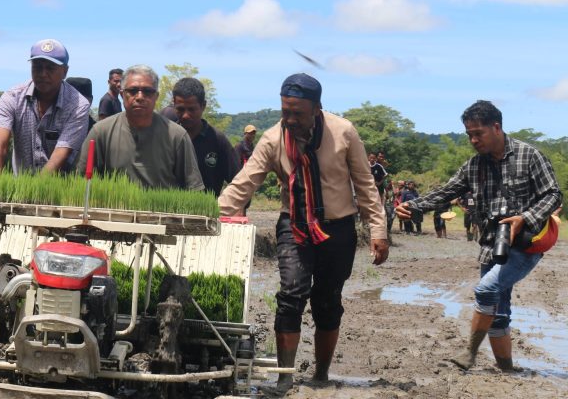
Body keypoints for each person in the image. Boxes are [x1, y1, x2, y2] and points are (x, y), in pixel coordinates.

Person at [217, 73, 388, 389]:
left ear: (317, 109)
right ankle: (284, 378)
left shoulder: (343, 132)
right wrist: (208, 218)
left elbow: (365, 184)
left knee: (327, 300)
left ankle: (321, 374)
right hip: (293, 225)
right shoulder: (272, 139)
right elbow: (244, 184)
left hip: (338, 228)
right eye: (285, 112)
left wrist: (378, 230)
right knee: (291, 295)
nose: (290, 120)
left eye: (298, 113)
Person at [396, 100, 562, 372]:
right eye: (469, 134)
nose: (473, 140)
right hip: (490, 245)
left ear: (496, 127)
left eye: (478, 133)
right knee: (497, 310)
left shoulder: (529, 155)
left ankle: (469, 352)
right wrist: (412, 205)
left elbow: (553, 194)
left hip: (524, 244)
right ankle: (507, 370)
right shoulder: (473, 166)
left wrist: (524, 219)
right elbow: (446, 192)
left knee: (485, 290)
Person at [76, 65, 204, 190]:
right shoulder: (100, 132)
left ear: (156, 97)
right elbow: (80, 183)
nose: (140, 97)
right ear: (122, 94)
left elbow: (193, 188)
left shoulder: (177, 136)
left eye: (147, 92)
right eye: (132, 91)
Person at [0, 38, 90, 177]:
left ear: (65, 72)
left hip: (61, 188)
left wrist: (34, 191)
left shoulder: (77, 105)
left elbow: (59, 156)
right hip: (20, 184)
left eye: (50, 68)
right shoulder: (12, 97)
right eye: (37, 67)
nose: (43, 74)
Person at [172, 77, 239, 196]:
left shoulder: (217, 140)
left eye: (192, 109)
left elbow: (239, 181)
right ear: (174, 104)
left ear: (203, 106)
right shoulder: (168, 138)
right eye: (180, 109)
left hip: (208, 212)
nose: (186, 115)